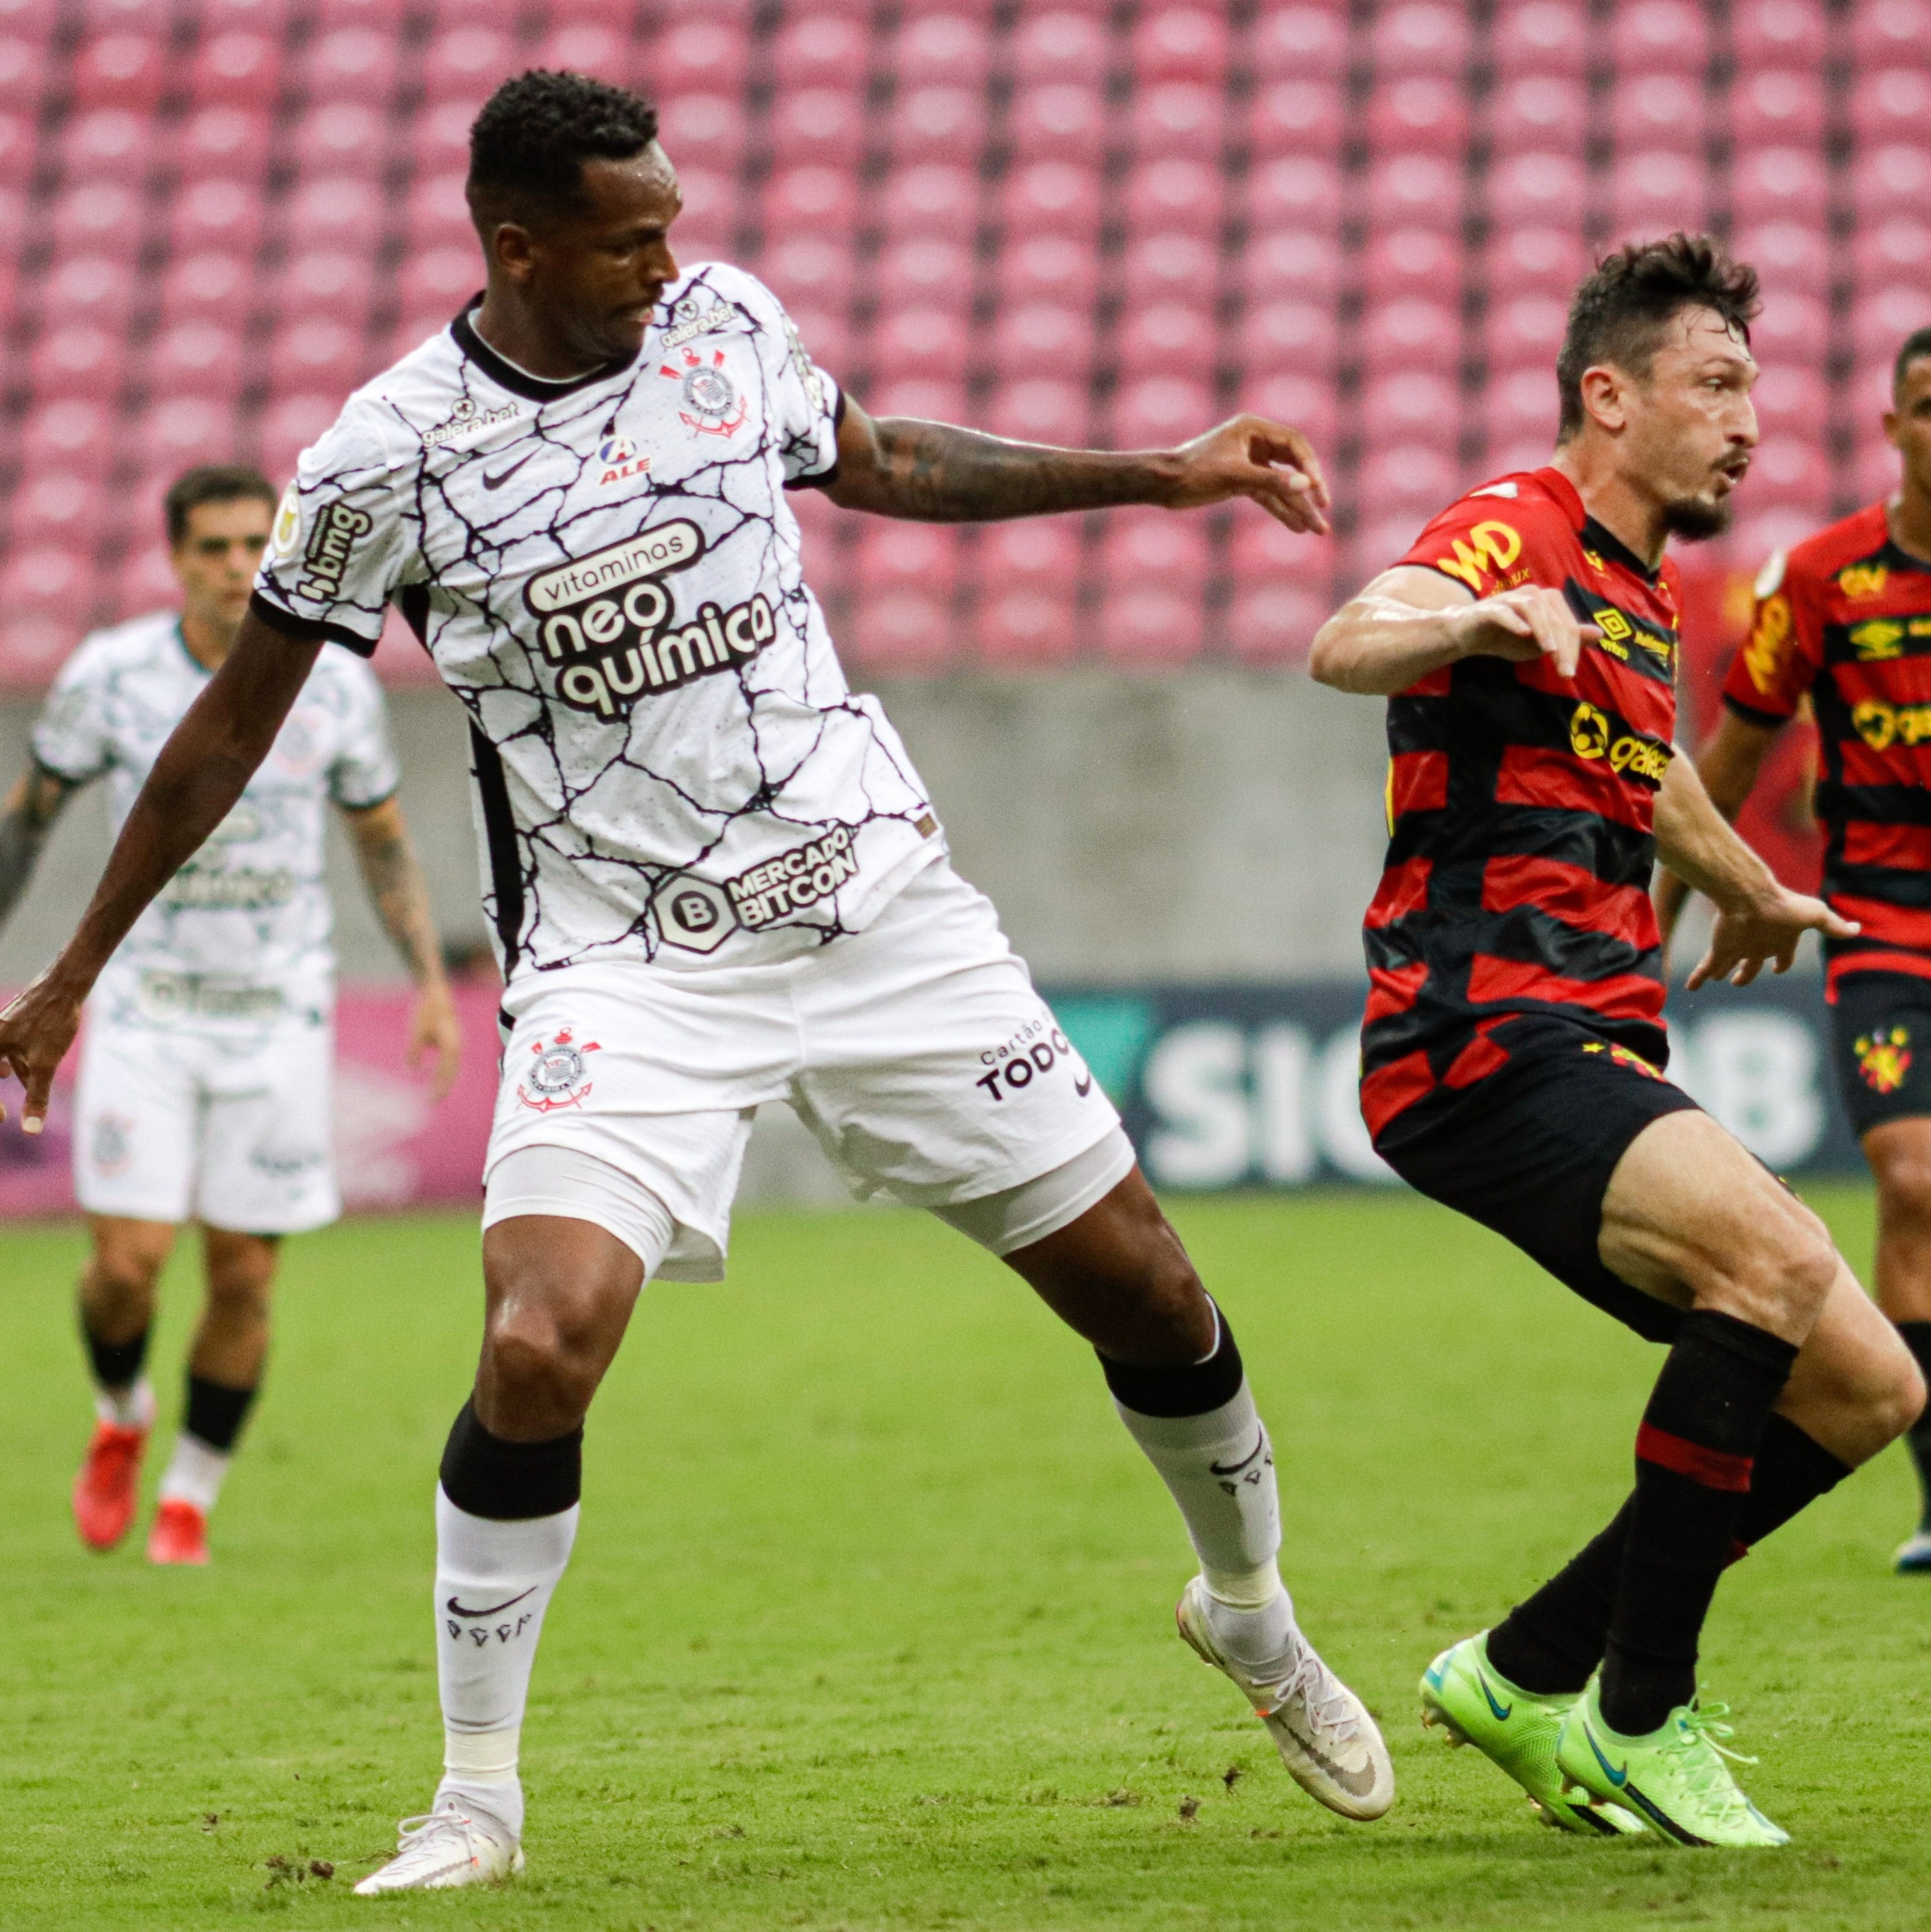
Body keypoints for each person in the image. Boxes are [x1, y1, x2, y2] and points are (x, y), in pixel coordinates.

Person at [0, 73, 1387, 1891]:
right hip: (624, 968)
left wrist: (1161, 468)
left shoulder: (726, 324)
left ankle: (1252, 1615)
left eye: (669, 219)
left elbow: (882, 461)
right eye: (628, 232)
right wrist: (67, 968)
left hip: (877, 907)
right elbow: (226, 731)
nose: (670, 254)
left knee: (1147, 1291)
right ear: (519, 245)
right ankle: (476, 1800)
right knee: (532, 1341)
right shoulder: (385, 455)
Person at [1309, 236, 1924, 1847]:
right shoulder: (1522, 524)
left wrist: (1755, 887)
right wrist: (1466, 622)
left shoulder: (1640, 597)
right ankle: (1639, 1714)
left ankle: (1525, 1668)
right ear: (1609, 392)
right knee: (1780, 1268)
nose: (1748, 424)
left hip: (1591, 1032)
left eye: (1753, 391)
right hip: (1472, 1031)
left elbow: (1645, 775)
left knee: (1865, 1386)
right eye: (1713, 386)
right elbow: (1351, 635)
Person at [0, 464, 462, 1567]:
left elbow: (380, 838)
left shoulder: (336, 686)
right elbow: (30, 817)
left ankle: (190, 1498)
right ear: (174, 559)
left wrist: (431, 980)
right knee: (128, 1266)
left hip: (279, 1013)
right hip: (151, 1008)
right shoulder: (109, 677)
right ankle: (122, 1416)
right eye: (212, 547)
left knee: (246, 1275)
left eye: (256, 543)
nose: (236, 566)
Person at [1660, 326, 1931, 1573]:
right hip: (1884, 920)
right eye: (1927, 406)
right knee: (1916, 1181)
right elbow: (1729, 753)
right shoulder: (1820, 579)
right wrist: (1662, 911)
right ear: (1891, 428)